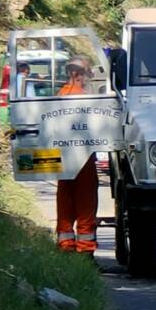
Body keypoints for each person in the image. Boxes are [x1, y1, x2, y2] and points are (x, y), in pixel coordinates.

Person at [56, 56, 99, 254]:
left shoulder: (60, 95)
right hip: (83, 157)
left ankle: (66, 244)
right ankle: (85, 248)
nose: (87, 78)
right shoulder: (83, 97)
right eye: (85, 74)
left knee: (65, 199)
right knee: (85, 201)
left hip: (63, 155)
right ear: (76, 74)